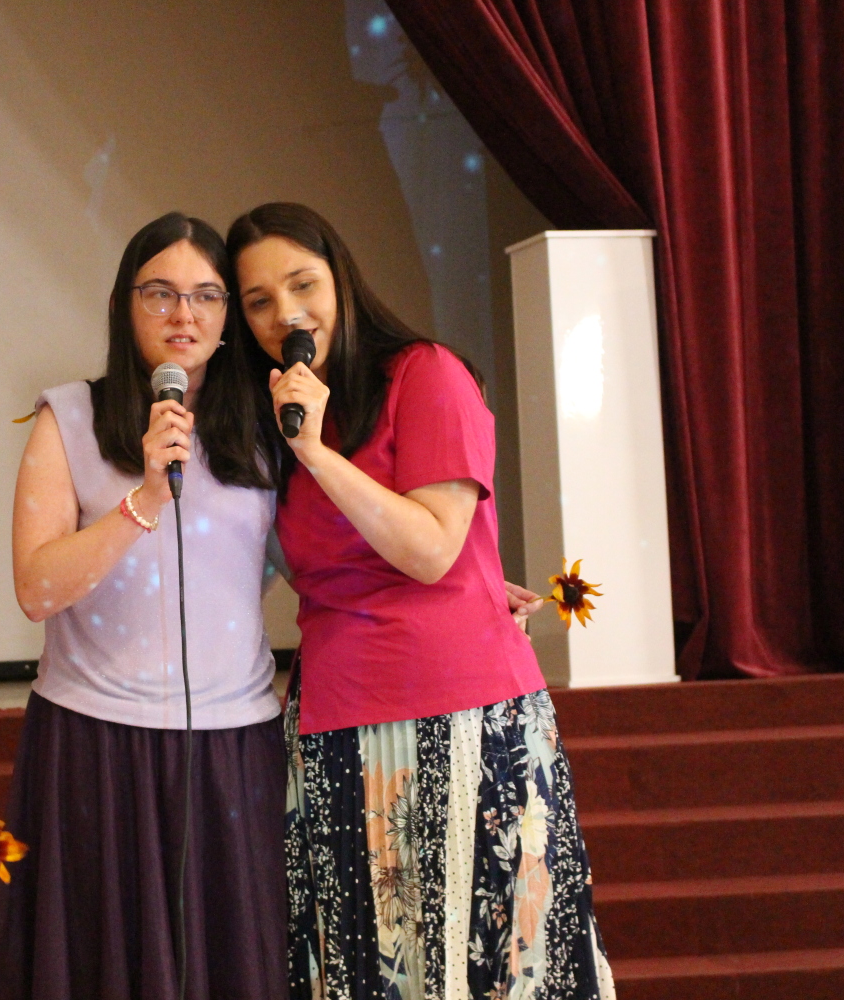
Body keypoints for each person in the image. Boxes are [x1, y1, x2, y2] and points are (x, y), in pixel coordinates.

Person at [228, 203, 614, 1000]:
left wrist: (316, 453)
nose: (285, 315)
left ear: (341, 279)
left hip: (463, 714)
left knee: (494, 962)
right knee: (366, 969)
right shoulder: (276, 414)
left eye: (303, 285)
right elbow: (301, 565)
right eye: (259, 301)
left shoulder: (424, 373)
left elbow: (433, 550)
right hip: (336, 722)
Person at [0, 212, 288, 1000]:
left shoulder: (264, 427)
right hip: (95, 744)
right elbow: (35, 589)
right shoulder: (70, 419)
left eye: (206, 296)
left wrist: (459, 588)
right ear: (124, 305)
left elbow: (311, 558)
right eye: (161, 293)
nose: (184, 315)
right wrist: (144, 500)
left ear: (228, 316)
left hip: (231, 747)